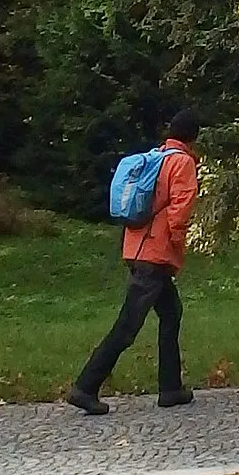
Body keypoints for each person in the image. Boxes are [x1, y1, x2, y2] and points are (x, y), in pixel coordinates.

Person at [67, 111, 202, 415]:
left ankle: (170, 388)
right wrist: (179, 244)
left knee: (171, 313)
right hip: (156, 254)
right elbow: (179, 211)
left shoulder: (156, 157)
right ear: (193, 137)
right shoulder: (182, 163)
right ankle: (85, 386)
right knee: (128, 325)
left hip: (137, 248)